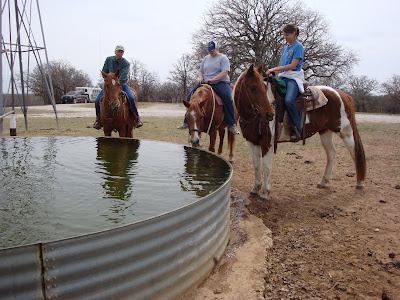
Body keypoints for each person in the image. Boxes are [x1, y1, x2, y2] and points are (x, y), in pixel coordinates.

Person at [177, 41, 239, 135]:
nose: (210, 52)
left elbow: (225, 72)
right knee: (190, 98)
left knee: (228, 98)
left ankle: (231, 124)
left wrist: (213, 79)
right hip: (205, 82)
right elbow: (201, 71)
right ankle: (186, 121)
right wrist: (201, 78)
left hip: (220, 82)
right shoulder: (206, 58)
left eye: (212, 50)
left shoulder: (223, 58)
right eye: (209, 50)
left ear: (217, 48)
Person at [266, 24, 305, 142]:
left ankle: (298, 129)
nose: (285, 38)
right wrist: (274, 74)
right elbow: (281, 65)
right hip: (283, 76)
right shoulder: (285, 48)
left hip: (293, 78)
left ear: (294, 33)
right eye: (284, 35)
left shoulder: (298, 47)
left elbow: (293, 66)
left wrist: (273, 69)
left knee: (289, 100)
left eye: (287, 35)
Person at [93, 45, 142, 129]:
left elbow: (123, 76)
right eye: (118, 51)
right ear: (115, 52)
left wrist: (116, 82)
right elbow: (104, 71)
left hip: (121, 84)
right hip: (109, 85)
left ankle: (136, 118)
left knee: (130, 97)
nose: (120, 53)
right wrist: (109, 79)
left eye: (121, 52)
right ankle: (98, 120)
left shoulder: (126, 63)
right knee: (97, 100)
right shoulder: (108, 59)